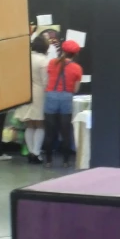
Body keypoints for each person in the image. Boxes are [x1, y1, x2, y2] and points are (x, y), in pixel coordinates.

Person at [43, 39, 83, 168]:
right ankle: (66, 161)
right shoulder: (77, 68)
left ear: (63, 51)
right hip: (66, 98)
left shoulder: (52, 63)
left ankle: (48, 160)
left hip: (51, 96)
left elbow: (48, 80)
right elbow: (76, 89)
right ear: (75, 54)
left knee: (49, 132)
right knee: (65, 132)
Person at [13, 35, 49, 164]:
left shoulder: (25, 58)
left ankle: (30, 152)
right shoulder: (43, 61)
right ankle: (36, 152)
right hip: (39, 93)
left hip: (25, 92)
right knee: (39, 123)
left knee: (29, 123)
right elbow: (45, 81)